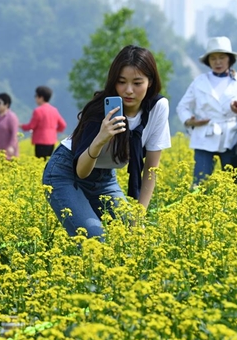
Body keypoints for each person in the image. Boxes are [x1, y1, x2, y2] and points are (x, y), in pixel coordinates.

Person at [42, 45, 171, 239]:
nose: (128, 91)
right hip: (66, 172)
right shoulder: (98, 112)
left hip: (104, 178)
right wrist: (100, 139)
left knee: (135, 238)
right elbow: (81, 172)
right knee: (96, 240)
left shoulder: (158, 108)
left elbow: (151, 169)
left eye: (137, 83)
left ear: (150, 82)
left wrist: (139, 217)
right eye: (121, 82)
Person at [177, 36, 237, 185]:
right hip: (205, 134)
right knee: (200, 182)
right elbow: (182, 107)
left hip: (232, 137)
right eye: (213, 58)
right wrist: (191, 121)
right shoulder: (199, 81)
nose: (217, 62)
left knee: (232, 184)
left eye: (222, 58)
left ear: (229, 59)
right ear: (208, 61)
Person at [20, 86, 66, 159]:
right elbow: (63, 125)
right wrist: (54, 131)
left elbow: (31, 126)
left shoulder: (38, 111)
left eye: (36, 96)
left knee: (39, 161)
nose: (35, 98)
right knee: (47, 162)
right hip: (51, 141)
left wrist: (21, 126)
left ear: (41, 97)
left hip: (40, 142)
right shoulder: (54, 110)